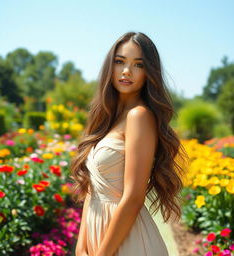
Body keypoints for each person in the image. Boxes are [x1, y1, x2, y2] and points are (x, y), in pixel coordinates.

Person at [70, 31, 188, 256]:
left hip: (126, 240)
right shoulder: (109, 119)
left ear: (149, 73)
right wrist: (81, 246)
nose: (126, 71)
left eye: (138, 65)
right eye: (120, 62)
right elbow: (93, 190)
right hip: (98, 235)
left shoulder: (139, 116)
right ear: (110, 67)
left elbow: (134, 197)